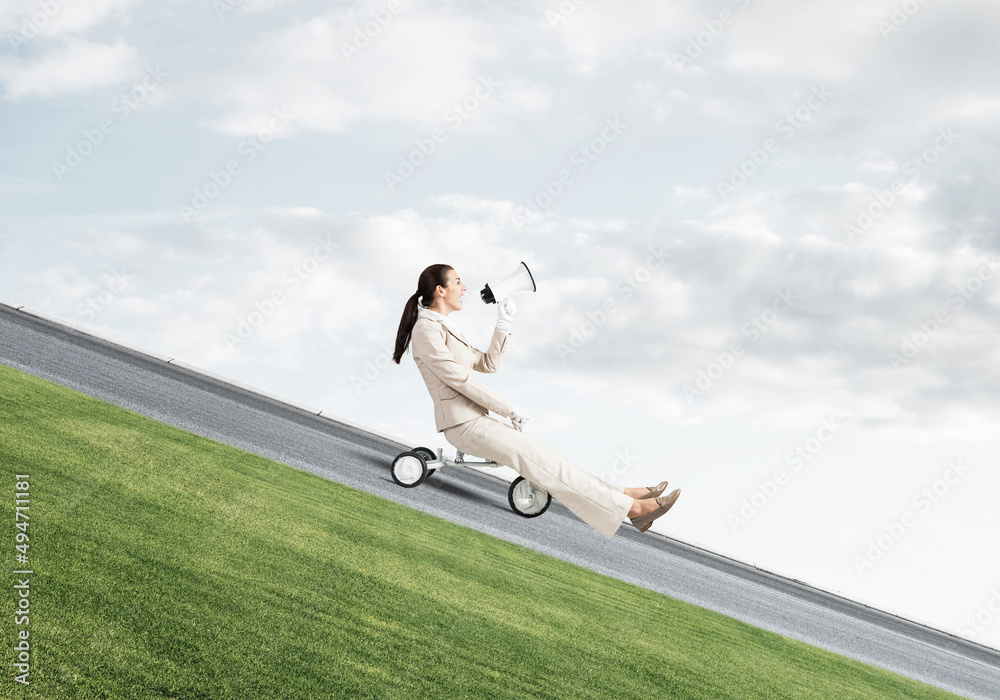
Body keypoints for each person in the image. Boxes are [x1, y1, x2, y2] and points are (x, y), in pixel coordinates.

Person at [392, 263, 680, 539]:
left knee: (554, 461)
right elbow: (459, 379)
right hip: (464, 425)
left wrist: (503, 324)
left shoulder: (443, 325)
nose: (464, 287)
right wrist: (508, 409)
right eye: (457, 282)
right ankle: (634, 510)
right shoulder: (426, 329)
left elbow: (488, 364)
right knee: (546, 466)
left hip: (477, 420)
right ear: (440, 291)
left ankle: (626, 494)